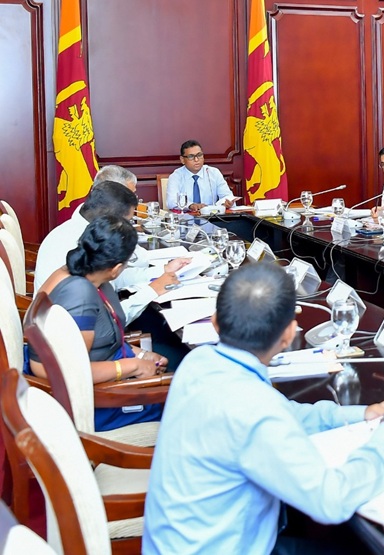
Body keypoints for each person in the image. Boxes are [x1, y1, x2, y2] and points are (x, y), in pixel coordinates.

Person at [143, 262, 384, 554]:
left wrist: (361, 414)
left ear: (215, 322)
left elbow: (284, 414)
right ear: (289, 334)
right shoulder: (256, 409)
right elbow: (331, 501)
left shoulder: (199, 361)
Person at [27, 216, 167, 430]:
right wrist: (132, 366)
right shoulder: (80, 296)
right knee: (177, 404)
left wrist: (140, 354)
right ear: (116, 269)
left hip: (104, 377)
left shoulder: (77, 272)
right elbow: (70, 371)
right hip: (90, 402)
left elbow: (100, 337)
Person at [33, 178, 187, 322]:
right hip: (70, 330)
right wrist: (152, 291)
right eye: (127, 221)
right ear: (110, 219)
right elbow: (107, 321)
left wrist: (162, 271)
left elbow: (113, 279)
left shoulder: (77, 231)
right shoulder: (75, 244)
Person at [165, 140, 235, 212]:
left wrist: (226, 202)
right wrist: (191, 205)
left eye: (199, 155)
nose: (196, 159)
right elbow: (171, 201)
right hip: (186, 217)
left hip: (211, 216)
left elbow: (227, 195)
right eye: (191, 156)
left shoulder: (213, 173)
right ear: (182, 160)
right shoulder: (176, 176)